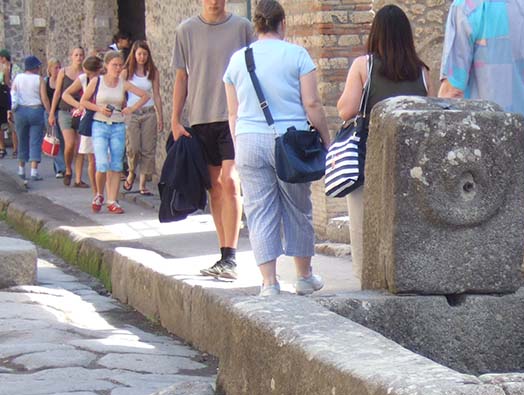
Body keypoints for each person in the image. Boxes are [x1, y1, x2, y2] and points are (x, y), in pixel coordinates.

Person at [223, 0, 330, 296]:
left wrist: (238, 142)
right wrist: (326, 138)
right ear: (283, 23)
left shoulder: (238, 59)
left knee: (259, 210)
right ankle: (303, 275)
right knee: (297, 207)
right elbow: (312, 104)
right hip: (290, 140)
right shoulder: (297, 55)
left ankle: (269, 282)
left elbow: (233, 112)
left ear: (256, 25)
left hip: (247, 139)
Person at [336, 4, 430, 282]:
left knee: (365, 231)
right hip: (410, 166)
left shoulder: (363, 66)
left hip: (368, 161)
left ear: (375, 34)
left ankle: (367, 285)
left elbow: (345, 110)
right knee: (404, 231)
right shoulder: (422, 71)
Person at [439, 0, 524, 203]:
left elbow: (452, 90)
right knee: (510, 234)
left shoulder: (468, 7)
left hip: (476, 158)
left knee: (473, 234)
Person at [171, 0, 255, 281]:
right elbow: (181, 77)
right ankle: (223, 254)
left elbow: (253, 71)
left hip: (234, 117)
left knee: (230, 181)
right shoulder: (186, 31)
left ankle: (231, 256)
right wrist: (175, 119)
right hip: (199, 118)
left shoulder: (243, 28)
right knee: (214, 190)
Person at [80, 51, 151, 214]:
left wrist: (131, 108)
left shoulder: (123, 83)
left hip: (118, 125)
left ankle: (112, 200)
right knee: (102, 163)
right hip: (100, 124)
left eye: (120, 65)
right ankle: (99, 194)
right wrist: (99, 108)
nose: (118, 68)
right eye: (114, 65)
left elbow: (145, 95)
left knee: (117, 164)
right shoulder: (97, 81)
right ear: (106, 65)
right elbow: (83, 101)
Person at [122, 41, 163, 196]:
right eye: (139, 54)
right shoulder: (127, 72)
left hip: (148, 113)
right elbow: (120, 93)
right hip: (132, 113)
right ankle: (132, 171)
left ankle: (143, 183)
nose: (142, 57)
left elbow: (157, 94)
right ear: (134, 54)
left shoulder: (152, 71)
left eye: (145, 54)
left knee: (148, 148)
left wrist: (160, 116)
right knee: (133, 147)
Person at [62, 55, 103, 195]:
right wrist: (80, 105)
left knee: (103, 159)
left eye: (90, 73)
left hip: (104, 118)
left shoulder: (104, 79)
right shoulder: (83, 79)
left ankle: (103, 191)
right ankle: (96, 192)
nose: (88, 76)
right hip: (89, 118)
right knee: (92, 158)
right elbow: (65, 94)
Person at [51, 47, 85, 186]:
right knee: (70, 144)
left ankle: (77, 179)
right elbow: (58, 92)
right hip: (65, 111)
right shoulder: (63, 72)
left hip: (80, 112)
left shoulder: (85, 74)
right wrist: (52, 112)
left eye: (81, 55)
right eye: (76, 54)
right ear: (71, 56)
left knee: (79, 146)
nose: (79, 57)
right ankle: (68, 168)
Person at [11, 56, 47, 186]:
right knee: (35, 141)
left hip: (20, 111)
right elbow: (44, 97)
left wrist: (12, 109)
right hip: (36, 110)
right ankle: (33, 171)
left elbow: (13, 93)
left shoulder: (18, 78)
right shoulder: (39, 79)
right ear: (35, 67)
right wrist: (49, 111)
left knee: (22, 140)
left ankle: (21, 169)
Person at [44, 59, 67, 180]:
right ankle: (60, 168)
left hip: (62, 111)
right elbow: (44, 98)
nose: (58, 70)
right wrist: (50, 113)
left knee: (62, 141)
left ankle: (60, 166)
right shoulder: (45, 81)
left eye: (59, 67)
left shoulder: (62, 82)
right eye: (55, 68)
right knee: (54, 139)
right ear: (50, 69)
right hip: (50, 112)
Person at [1, 50, 14, 159]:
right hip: (4, 94)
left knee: (9, 121)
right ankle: (2, 147)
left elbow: (7, 83)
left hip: (5, 95)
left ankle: (13, 147)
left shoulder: (7, 68)